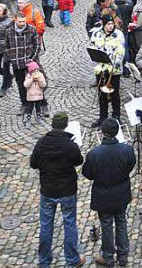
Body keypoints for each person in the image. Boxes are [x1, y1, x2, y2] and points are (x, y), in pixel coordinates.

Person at [29, 112, 85, 268]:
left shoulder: (41, 143)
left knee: (46, 225)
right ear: (65, 125)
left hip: (48, 190)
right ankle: (72, 260)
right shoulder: (70, 145)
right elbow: (78, 161)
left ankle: (44, 261)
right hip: (67, 190)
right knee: (70, 223)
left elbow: (33, 163)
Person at [82, 117, 135, 267]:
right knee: (121, 222)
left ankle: (108, 257)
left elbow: (88, 174)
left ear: (103, 132)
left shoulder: (94, 154)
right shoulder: (127, 150)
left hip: (103, 194)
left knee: (106, 225)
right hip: (121, 193)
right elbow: (131, 166)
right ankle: (123, 255)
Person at [90, 16, 125, 126]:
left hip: (114, 69)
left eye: (112, 24)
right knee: (101, 94)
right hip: (101, 68)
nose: (110, 26)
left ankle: (116, 116)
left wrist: (115, 65)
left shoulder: (118, 34)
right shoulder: (97, 34)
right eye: (108, 24)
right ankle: (102, 116)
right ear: (103, 25)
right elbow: (94, 47)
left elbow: (121, 51)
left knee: (115, 94)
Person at [4, 14, 41, 117]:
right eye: (20, 21)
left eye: (23, 21)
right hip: (17, 63)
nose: (22, 23)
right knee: (21, 85)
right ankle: (24, 104)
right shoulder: (9, 31)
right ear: (16, 20)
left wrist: (32, 58)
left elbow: (37, 45)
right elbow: (6, 46)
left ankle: (37, 104)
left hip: (29, 63)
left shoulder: (32, 29)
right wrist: (11, 57)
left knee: (34, 84)